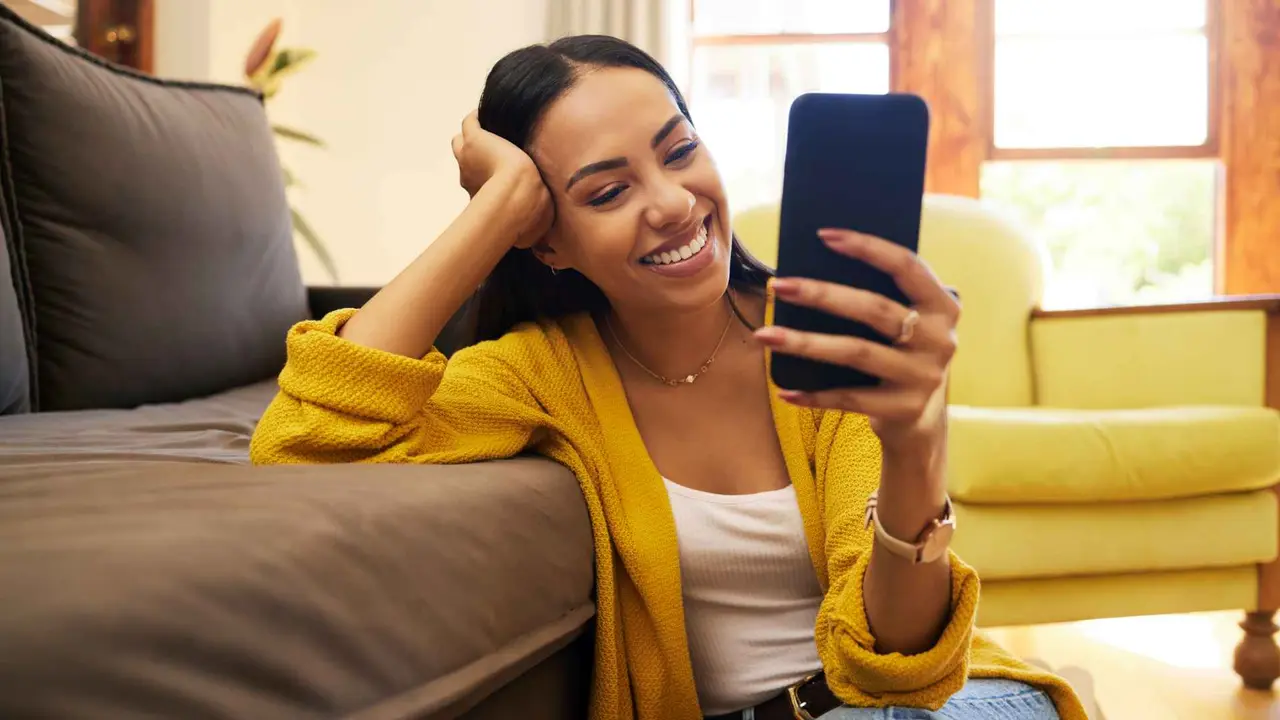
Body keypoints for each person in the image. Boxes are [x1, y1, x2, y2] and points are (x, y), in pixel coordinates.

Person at [251, 35, 1087, 720]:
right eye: (609, 191)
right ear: (546, 239)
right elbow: (309, 440)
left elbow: (901, 670)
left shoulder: (827, 337)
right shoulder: (544, 375)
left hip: (941, 703)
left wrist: (914, 446)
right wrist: (493, 208)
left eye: (679, 151)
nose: (673, 203)